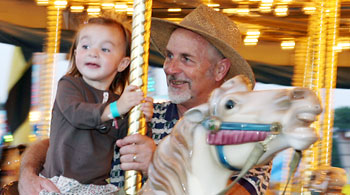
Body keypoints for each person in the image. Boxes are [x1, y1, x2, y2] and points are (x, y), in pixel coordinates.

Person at [19, 4, 271, 195]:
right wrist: (28, 171)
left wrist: (159, 164)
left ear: (220, 70)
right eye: (170, 56)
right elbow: (63, 138)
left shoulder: (246, 135)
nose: (170, 68)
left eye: (186, 59)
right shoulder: (145, 114)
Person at [29, 16, 153, 194]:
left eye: (105, 49)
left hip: (95, 187)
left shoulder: (116, 102)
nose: (93, 53)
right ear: (76, 52)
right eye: (85, 46)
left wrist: (141, 119)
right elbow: (77, 114)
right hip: (59, 183)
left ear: (123, 63)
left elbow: (128, 139)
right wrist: (117, 108)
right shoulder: (69, 85)